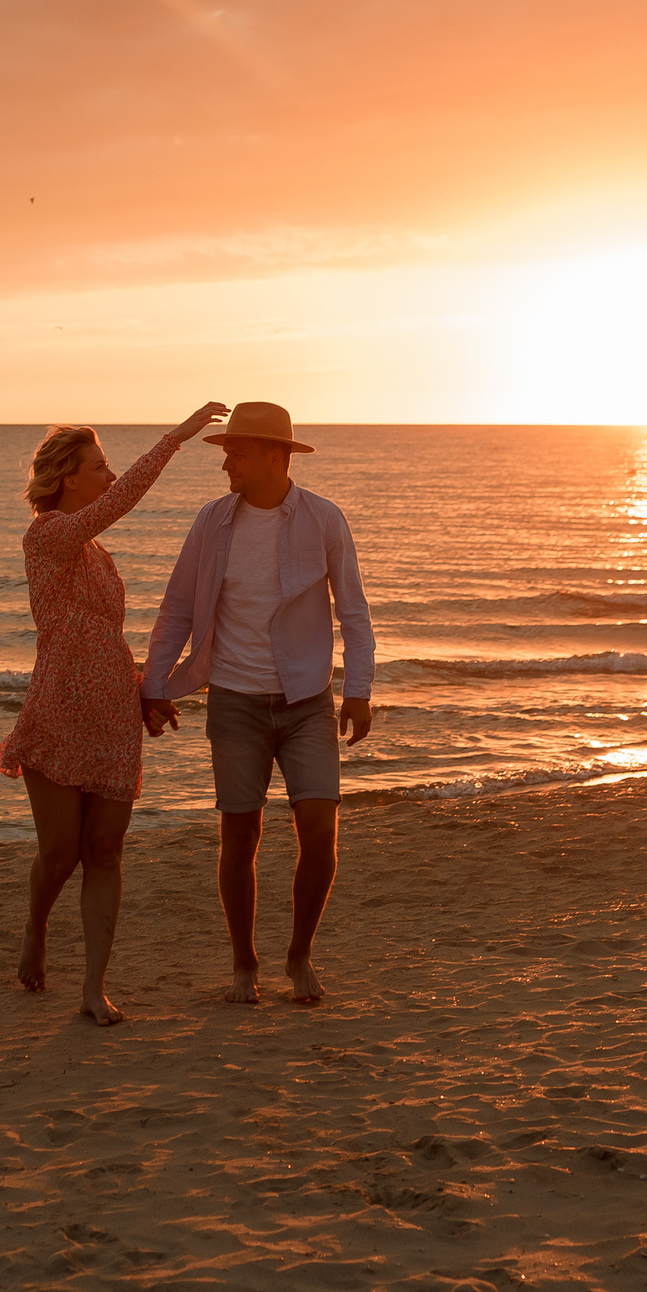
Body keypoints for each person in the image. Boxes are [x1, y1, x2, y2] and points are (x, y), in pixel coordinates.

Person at [0, 401, 229, 1026]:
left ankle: (94, 987)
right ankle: (36, 927)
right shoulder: (48, 535)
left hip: (112, 718)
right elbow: (121, 501)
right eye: (100, 466)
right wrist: (177, 437)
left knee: (105, 851)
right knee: (60, 853)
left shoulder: (97, 552)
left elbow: (103, 638)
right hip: (60, 707)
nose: (109, 475)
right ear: (69, 476)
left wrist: (144, 694)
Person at [140, 401, 375, 1005]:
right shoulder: (212, 523)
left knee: (320, 833)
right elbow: (176, 610)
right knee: (239, 833)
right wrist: (154, 684)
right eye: (224, 453)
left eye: (235, 453)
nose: (225, 465)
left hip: (307, 701)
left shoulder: (324, 519)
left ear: (276, 455)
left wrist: (359, 689)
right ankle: (244, 965)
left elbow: (352, 610)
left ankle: (298, 957)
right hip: (235, 703)